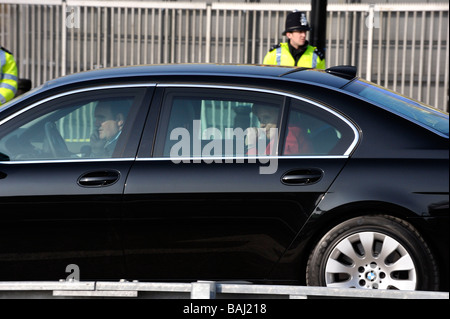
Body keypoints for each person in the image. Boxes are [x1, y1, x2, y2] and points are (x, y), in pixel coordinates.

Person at [246, 103, 312, 155]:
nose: (261, 125)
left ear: (281, 116)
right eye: (260, 120)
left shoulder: (288, 136)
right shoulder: (282, 137)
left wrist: (251, 146)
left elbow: (266, 169)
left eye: (266, 117)